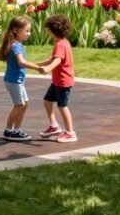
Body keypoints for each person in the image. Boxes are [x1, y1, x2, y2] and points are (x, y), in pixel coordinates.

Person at [0, 16, 44, 141]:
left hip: (16, 81)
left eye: (29, 31)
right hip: (14, 81)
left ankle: (16, 130)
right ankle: (8, 131)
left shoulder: (17, 44)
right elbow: (21, 62)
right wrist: (37, 68)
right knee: (19, 105)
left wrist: (39, 65)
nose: (29, 34)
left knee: (24, 104)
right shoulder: (16, 46)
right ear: (15, 30)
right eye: (26, 31)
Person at [38, 15, 77, 143]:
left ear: (53, 31)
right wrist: (38, 65)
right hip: (57, 81)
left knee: (62, 106)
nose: (47, 32)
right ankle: (54, 126)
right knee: (47, 101)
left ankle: (70, 133)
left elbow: (57, 61)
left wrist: (48, 68)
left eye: (48, 29)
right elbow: (53, 58)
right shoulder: (63, 42)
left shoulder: (60, 44)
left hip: (63, 82)